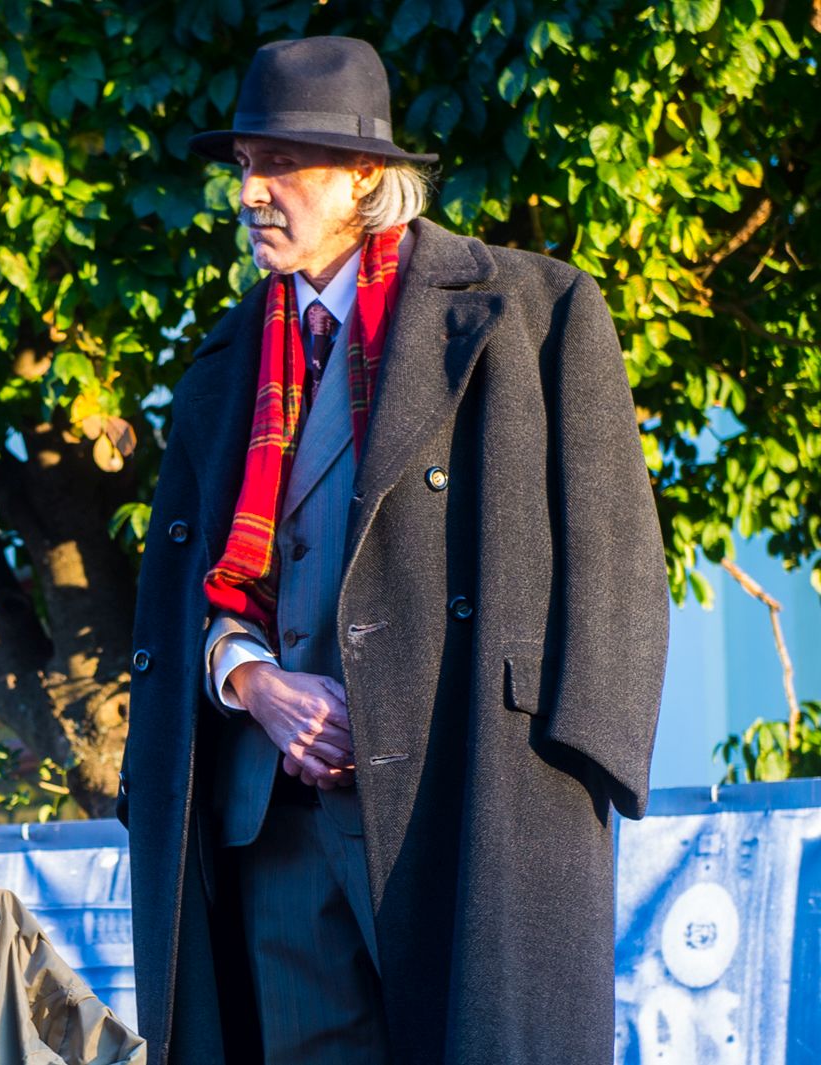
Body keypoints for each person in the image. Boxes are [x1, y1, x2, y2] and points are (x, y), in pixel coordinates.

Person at [120, 36, 669, 1065]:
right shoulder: (221, 366)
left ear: (365, 179)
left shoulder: (534, 310)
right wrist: (254, 684)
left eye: (281, 165)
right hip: (272, 823)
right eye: (244, 166)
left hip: (466, 794)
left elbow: (620, 559)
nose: (250, 193)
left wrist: (577, 764)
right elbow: (186, 598)